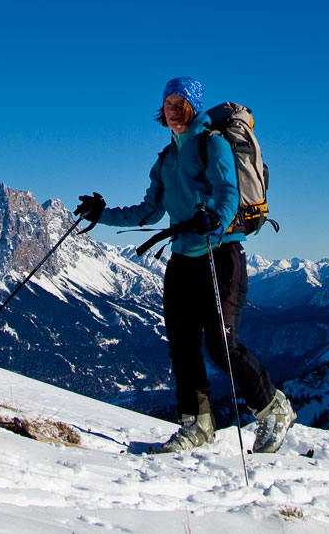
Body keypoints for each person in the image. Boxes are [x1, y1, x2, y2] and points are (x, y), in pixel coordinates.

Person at [76, 77, 296, 453]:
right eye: (168, 103)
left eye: (180, 103)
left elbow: (227, 193)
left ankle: (273, 408)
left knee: (221, 344)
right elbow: (147, 210)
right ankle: (196, 423)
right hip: (182, 258)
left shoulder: (213, 144)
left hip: (220, 253)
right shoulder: (166, 159)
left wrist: (217, 219)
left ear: (193, 107)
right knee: (181, 343)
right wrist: (102, 215)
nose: (173, 110)